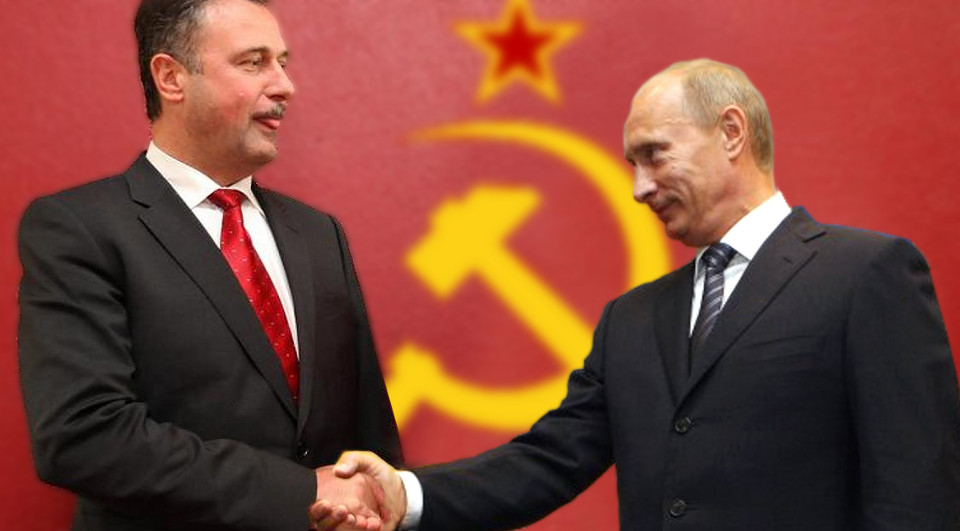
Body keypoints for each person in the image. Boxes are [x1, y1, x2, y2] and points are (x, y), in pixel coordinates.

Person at [315, 59, 960, 531]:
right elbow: (549, 460)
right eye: (632, 164)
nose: (639, 188)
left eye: (654, 155)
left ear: (732, 132)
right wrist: (406, 495)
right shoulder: (632, 319)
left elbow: (918, 491)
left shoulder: (866, 273)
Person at [17, 0, 402, 529]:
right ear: (171, 77)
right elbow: (83, 438)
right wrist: (302, 493)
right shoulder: (80, 228)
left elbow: (370, 437)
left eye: (282, 62)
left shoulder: (319, 235)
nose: (285, 86)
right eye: (253, 62)